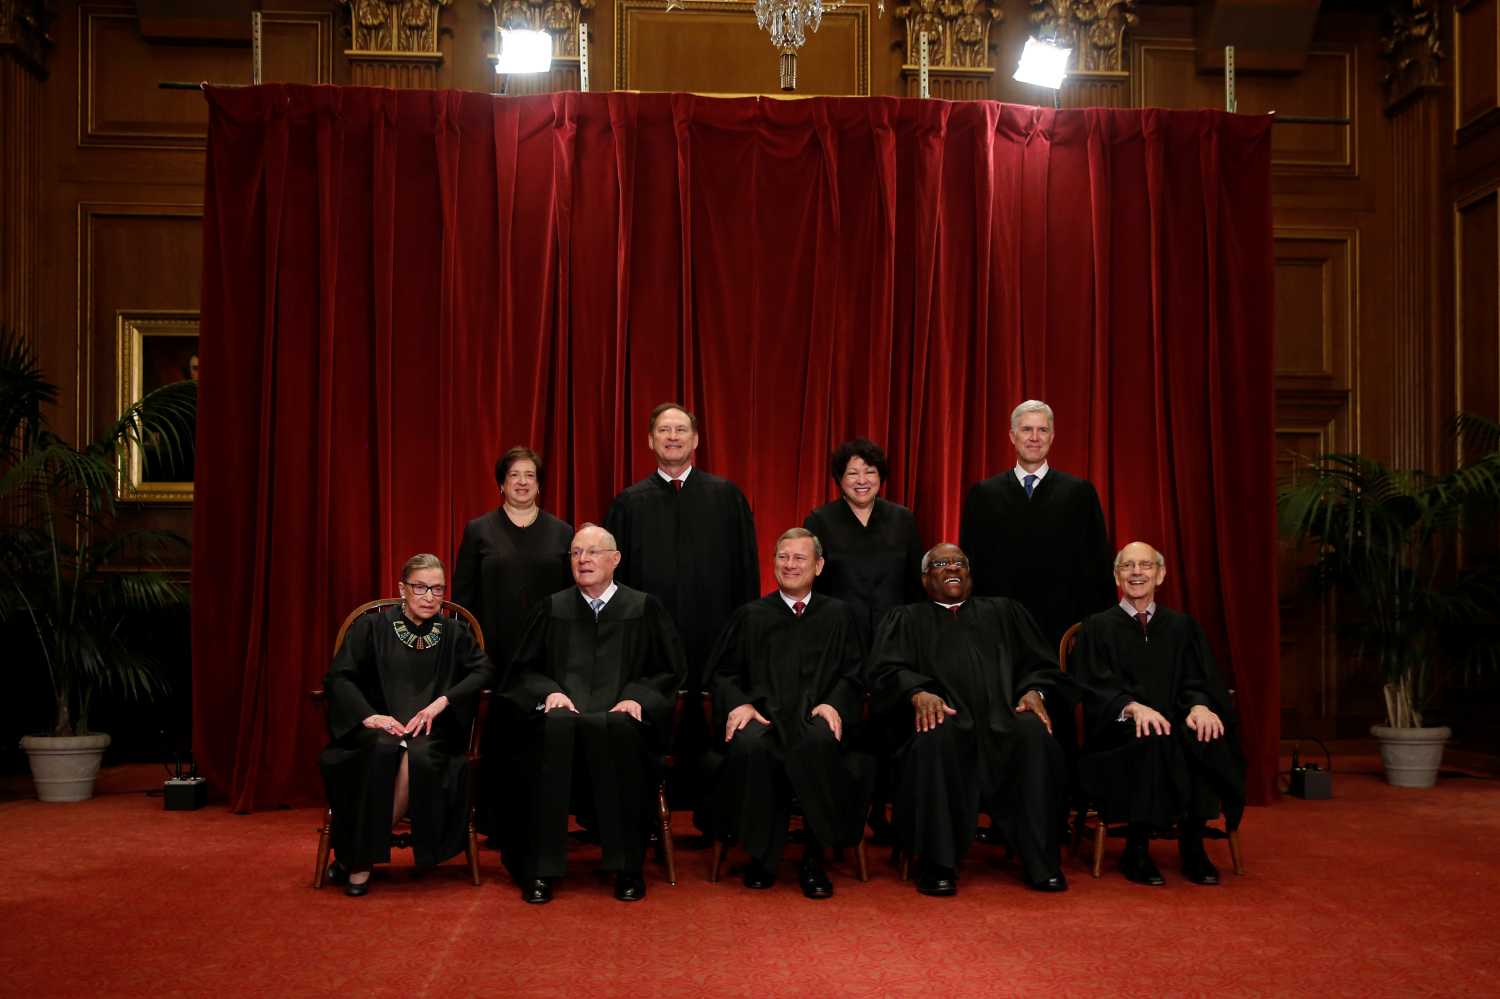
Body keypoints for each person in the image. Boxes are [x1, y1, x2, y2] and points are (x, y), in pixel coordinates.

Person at [868, 543, 1073, 896]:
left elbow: (1041, 665)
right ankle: (937, 863)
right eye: (941, 563)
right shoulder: (906, 619)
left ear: (969, 572)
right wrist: (917, 693)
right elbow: (884, 671)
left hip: (1004, 721)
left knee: (1033, 733)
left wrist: (1034, 692)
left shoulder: (1005, 613)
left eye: (958, 563)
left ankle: (1041, 860)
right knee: (934, 737)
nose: (951, 569)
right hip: (944, 722)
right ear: (925, 577)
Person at [505, 524, 688, 903]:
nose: (583, 560)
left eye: (592, 552)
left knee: (622, 729)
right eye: (575, 553)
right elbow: (523, 670)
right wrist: (550, 692)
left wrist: (638, 697)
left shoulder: (642, 608)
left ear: (615, 559)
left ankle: (626, 868)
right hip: (564, 722)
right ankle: (541, 868)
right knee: (549, 729)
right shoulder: (553, 608)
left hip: (620, 722)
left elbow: (669, 670)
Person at [604, 402, 759, 826]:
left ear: (696, 440)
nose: (673, 437)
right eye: (664, 431)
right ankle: (646, 813)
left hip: (715, 631)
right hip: (649, 639)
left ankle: (716, 813)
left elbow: (746, 571)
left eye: (681, 430)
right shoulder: (628, 504)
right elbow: (614, 580)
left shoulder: (726, 497)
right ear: (650, 441)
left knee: (712, 719)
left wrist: (743, 632)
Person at [705, 528, 870, 899]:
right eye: (783, 557)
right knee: (751, 746)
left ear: (819, 565)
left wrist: (834, 703)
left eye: (799, 558)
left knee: (819, 741)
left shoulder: (839, 615)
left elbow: (855, 673)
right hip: (764, 717)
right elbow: (723, 673)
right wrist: (740, 704)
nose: (790, 565)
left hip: (817, 714)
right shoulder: (751, 615)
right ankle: (761, 857)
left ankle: (814, 858)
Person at [318, 553, 495, 897]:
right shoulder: (372, 627)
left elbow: (484, 671)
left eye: (438, 589)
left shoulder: (454, 632)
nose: (430, 596)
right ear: (402, 588)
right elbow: (339, 677)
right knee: (385, 748)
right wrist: (369, 716)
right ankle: (361, 856)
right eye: (421, 587)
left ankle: (356, 858)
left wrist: (442, 703)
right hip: (378, 728)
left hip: (433, 731)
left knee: (418, 756)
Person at [1073, 541, 1246, 886]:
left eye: (1146, 565)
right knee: (1151, 736)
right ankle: (1136, 850)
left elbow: (1199, 678)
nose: (1137, 572)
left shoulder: (1182, 627)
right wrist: (1132, 707)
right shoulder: (1097, 627)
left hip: (1176, 721)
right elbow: (1090, 686)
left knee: (1203, 733)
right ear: (1116, 576)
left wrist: (1200, 706)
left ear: (1161, 574)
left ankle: (1193, 844)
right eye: (1128, 566)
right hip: (1119, 733)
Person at [453, 447, 573, 842]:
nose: (522, 482)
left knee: (540, 734)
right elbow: (463, 599)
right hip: (494, 650)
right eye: (514, 475)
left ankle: (540, 820)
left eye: (530, 476)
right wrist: (473, 654)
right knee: (498, 734)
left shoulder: (562, 532)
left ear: (539, 485)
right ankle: (492, 821)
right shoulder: (479, 530)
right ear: (501, 483)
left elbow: (573, 595)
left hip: (546, 652)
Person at [958, 400, 1115, 646]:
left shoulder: (1079, 493)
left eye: (1042, 430)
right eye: (1026, 429)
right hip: (998, 630)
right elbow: (970, 564)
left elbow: (1097, 565)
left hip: (1062, 629)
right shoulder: (983, 495)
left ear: (1052, 437)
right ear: (1012, 436)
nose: (1034, 437)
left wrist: (1092, 627)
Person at [803, 438, 924, 647]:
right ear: (840, 478)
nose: (862, 480)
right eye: (852, 473)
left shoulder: (903, 519)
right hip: (838, 637)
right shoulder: (819, 520)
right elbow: (811, 585)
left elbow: (915, 583)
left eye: (870, 472)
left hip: (895, 636)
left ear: (880, 477)